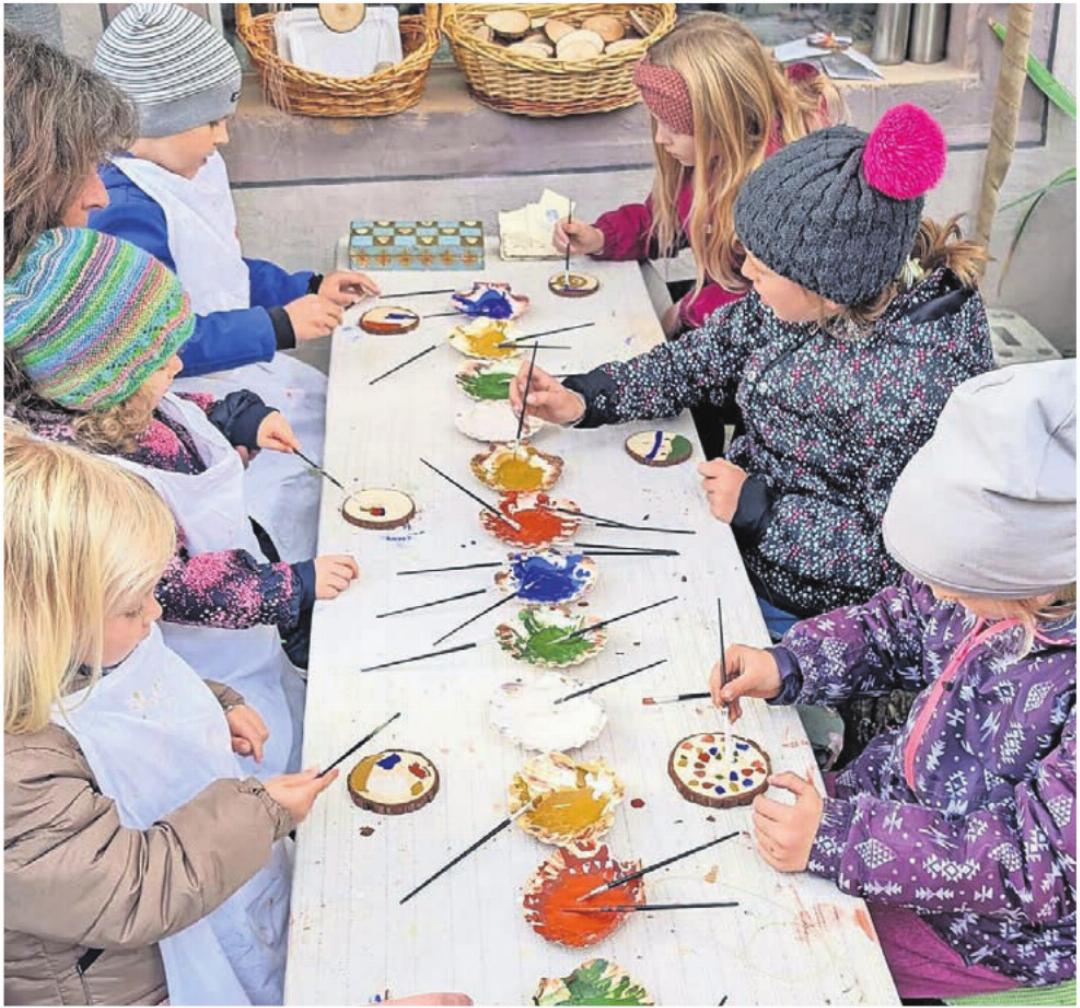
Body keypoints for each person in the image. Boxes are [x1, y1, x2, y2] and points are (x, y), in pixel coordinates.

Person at [513, 104, 994, 641]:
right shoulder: (798, 302)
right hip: (737, 532)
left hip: (808, 611)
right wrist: (587, 397)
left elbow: (898, 557)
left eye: (761, 269)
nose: (744, 273)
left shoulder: (911, 389)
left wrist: (761, 511)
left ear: (829, 289)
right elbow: (700, 360)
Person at [710, 361, 1076, 999]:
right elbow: (897, 623)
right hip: (884, 809)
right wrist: (791, 663)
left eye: (953, 584)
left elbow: (1039, 863)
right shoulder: (991, 589)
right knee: (723, 849)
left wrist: (839, 839)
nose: (933, 593)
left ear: (1038, 585)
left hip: (985, 926)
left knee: (777, 955)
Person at [5, 227, 361, 776]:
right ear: (103, 382)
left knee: (286, 711)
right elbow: (179, 587)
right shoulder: (96, 485)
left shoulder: (122, 405)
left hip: (248, 631)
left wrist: (241, 418)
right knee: (253, 760)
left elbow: (182, 409)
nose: (176, 365)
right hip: (201, 657)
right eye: (158, 361)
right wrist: (293, 585)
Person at [3, 423, 337, 1005]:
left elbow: (125, 689)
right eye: (134, 606)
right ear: (38, 620)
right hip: (131, 978)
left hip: (203, 897)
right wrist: (259, 812)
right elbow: (131, 890)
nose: (156, 612)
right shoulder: (17, 774)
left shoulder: (74, 649)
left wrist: (211, 703)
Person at [88, 3, 380, 560]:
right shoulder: (123, 208)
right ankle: (286, 587)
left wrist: (304, 287)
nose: (223, 137)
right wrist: (278, 326)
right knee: (279, 488)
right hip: (181, 395)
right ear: (154, 121)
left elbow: (223, 269)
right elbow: (153, 344)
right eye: (211, 123)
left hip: (238, 364)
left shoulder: (188, 165)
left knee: (336, 423)